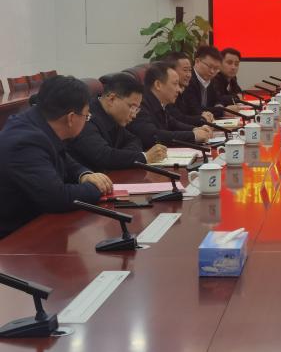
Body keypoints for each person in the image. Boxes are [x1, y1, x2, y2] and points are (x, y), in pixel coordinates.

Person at [0, 76, 112, 238]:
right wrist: (98, 188)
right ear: (71, 118)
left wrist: (84, 175)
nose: (87, 120)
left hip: (36, 222)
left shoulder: (38, 121)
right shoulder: (25, 143)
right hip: (14, 238)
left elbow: (62, 156)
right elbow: (57, 198)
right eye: (86, 116)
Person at [68, 73, 167, 171]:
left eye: (136, 109)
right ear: (111, 99)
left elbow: (134, 140)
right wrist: (144, 157)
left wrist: (122, 156)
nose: (134, 115)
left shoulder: (112, 116)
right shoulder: (86, 117)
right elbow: (104, 157)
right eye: (131, 107)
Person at [127, 62, 212, 149]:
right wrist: (193, 135)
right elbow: (152, 136)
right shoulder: (140, 104)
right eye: (175, 84)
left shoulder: (159, 102)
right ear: (158, 85)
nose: (178, 89)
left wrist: (195, 129)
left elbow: (173, 123)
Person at [163, 51, 215, 125]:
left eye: (190, 70)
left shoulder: (185, 89)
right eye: (185, 70)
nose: (189, 75)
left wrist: (204, 114)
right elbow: (178, 119)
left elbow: (193, 109)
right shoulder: (166, 93)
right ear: (171, 71)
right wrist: (201, 119)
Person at [182, 45, 226, 118]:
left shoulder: (213, 81)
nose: (212, 71)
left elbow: (218, 99)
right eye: (209, 66)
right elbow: (195, 110)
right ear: (197, 61)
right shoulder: (188, 80)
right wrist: (222, 111)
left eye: (216, 68)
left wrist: (219, 105)